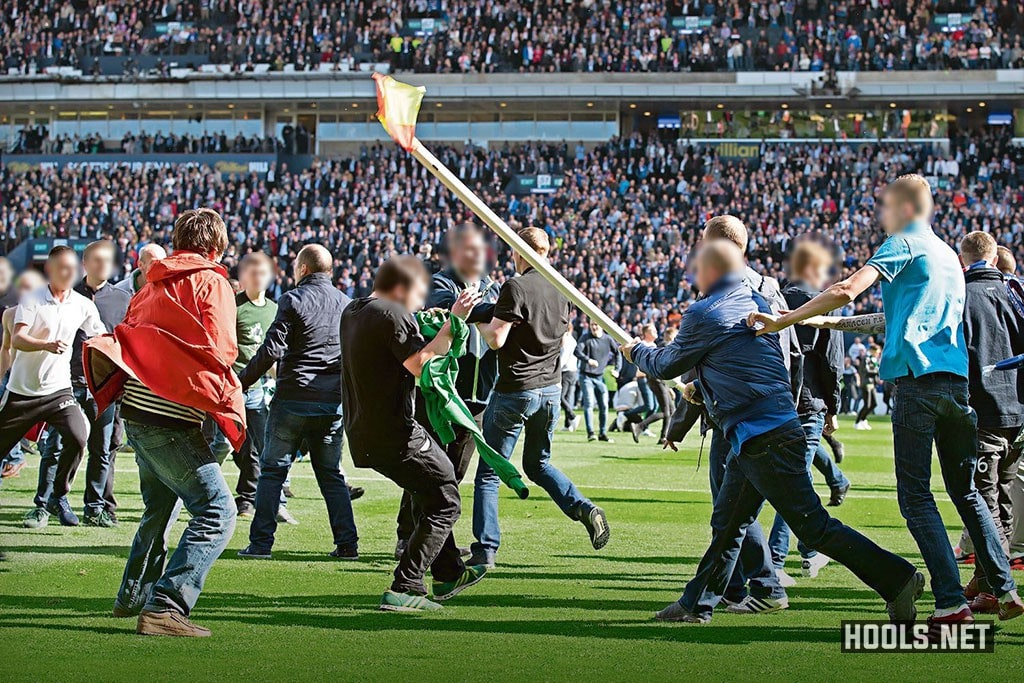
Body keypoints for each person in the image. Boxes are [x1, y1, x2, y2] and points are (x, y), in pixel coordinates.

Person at [750, 174, 1023, 624]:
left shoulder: (903, 242)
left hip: (917, 383)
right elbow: (887, 316)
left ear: (903, 207)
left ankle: (951, 603)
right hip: (957, 385)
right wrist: (824, 325)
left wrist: (787, 321)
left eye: (885, 206)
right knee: (967, 493)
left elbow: (845, 289)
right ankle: (1004, 588)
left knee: (915, 497)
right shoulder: (949, 258)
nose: (881, 215)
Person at [623, 239, 924, 623]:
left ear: (711, 270)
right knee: (728, 523)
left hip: (762, 436)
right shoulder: (755, 302)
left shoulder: (704, 312)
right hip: (766, 431)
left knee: (813, 527)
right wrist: (707, 387)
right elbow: (741, 359)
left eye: (697, 269)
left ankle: (898, 579)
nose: (693, 277)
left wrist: (636, 351)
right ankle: (695, 605)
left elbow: (666, 364)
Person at [85, 208, 243, 637]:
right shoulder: (213, 281)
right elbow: (222, 348)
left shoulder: (150, 283)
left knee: (159, 509)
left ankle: (131, 595)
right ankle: (166, 607)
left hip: (134, 411)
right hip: (170, 416)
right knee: (217, 512)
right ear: (216, 245)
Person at [341, 255, 487, 612]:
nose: (421, 303)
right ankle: (406, 585)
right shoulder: (392, 314)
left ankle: (449, 571)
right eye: (419, 294)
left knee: (429, 490)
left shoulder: (354, 311)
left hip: (362, 431)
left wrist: (428, 328)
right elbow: (420, 365)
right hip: (395, 432)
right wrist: (455, 321)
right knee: (446, 496)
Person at [472, 228, 610, 568]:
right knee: (538, 464)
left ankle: (486, 548)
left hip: (516, 389)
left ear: (519, 252)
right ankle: (583, 507)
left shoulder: (515, 286)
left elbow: (495, 340)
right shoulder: (562, 288)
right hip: (551, 390)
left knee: (490, 471)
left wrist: (474, 317)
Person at [687, 215, 790, 614]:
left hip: (740, 417)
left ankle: (761, 586)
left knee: (730, 511)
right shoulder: (770, 289)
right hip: (765, 411)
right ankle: (733, 589)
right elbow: (784, 353)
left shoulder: (733, 292)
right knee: (734, 510)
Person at [236, 245, 359, 561]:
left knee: (273, 471)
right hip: (331, 403)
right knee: (330, 473)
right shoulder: (346, 304)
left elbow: (271, 350)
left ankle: (261, 544)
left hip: (294, 399)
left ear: (303, 269)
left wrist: (240, 383)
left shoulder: (292, 300)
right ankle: (347, 545)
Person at [395, 224, 499, 559]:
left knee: (453, 473)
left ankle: (434, 539)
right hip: (442, 392)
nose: (477, 255)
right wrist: (508, 308)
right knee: (428, 468)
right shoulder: (440, 284)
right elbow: (457, 312)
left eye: (480, 249)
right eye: (469, 249)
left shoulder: (490, 286)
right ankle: (407, 535)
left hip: (476, 397)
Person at [3, 247, 105, 530]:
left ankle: (58, 497)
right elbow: (19, 339)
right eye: (62, 267)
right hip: (22, 392)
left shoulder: (83, 305)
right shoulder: (32, 298)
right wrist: (45, 344)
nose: (69, 273)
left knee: (78, 435)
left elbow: (100, 337)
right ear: (50, 269)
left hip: (58, 391)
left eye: (73, 268)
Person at [767, 241, 850, 585]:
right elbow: (832, 363)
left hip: (773, 402)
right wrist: (833, 408)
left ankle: (808, 552)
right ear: (816, 269)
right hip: (807, 403)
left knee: (789, 479)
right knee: (796, 484)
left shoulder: (770, 300)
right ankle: (775, 559)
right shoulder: (822, 304)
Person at [954, 231, 1024, 613]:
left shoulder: (962, 295)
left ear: (963, 261)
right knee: (1003, 498)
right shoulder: (1017, 293)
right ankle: (983, 580)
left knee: (984, 501)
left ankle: (998, 587)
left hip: (983, 411)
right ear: (995, 259)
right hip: (1018, 413)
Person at [72, 240, 131, 527]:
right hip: (69, 383)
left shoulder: (121, 299)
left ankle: (94, 507)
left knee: (102, 447)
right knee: (60, 447)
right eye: (97, 259)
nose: (103, 265)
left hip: (104, 387)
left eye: (107, 260)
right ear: (85, 263)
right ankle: (49, 503)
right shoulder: (69, 296)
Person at [225, 252, 278, 518]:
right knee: (221, 447)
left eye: (262, 273)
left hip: (257, 391)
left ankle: (247, 499)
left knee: (259, 447)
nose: (258, 278)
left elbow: (271, 351)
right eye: (253, 273)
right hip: (230, 388)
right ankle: (195, 494)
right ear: (243, 277)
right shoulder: (232, 307)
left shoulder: (274, 309)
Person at [0, 270, 46, 481]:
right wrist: (2, 376)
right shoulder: (9, 314)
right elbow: (6, 349)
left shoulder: (49, 313)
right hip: (13, 378)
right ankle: (16, 455)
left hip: (44, 381)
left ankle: (20, 454)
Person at [628, 323, 677, 445]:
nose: (656, 332)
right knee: (666, 410)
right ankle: (643, 427)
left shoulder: (656, 345)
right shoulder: (650, 345)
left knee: (670, 410)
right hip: (655, 379)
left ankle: (661, 436)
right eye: (652, 330)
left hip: (658, 380)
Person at [574, 318, 619, 442]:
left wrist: (617, 369)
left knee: (604, 405)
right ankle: (591, 433)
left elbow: (618, 353)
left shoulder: (608, 339)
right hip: (586, 376)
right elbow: (577, 351)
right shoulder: (585, 337)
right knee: (589, 403)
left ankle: (603, 433)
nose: (594, 327)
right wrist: (588, 360)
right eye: (592, 324)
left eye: (596, 325)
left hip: (599, 377)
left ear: (602, 326)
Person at [853, 345, 880, 429]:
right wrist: (877, 371)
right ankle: (857, 422)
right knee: (867, 405)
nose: (878, 354)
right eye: (877, 352)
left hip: (873, 384)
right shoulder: (866, 358)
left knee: (874, 404)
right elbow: (866, 370)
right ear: (872, 351)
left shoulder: (874, 359)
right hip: (866, 383)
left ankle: (863, 420)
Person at [559, 323, 580, 431]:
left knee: (560, 397)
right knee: (567, 398)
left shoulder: (567, 340)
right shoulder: (572, 340)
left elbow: (564, 357)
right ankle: (568, 424)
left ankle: (573, 416)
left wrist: (557, 369)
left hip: (566, 371)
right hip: (573, 371)